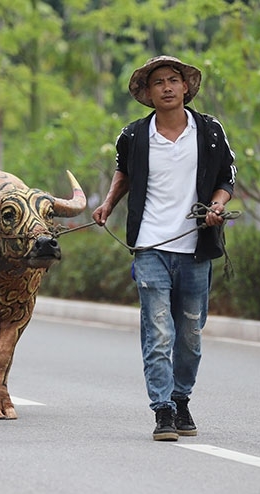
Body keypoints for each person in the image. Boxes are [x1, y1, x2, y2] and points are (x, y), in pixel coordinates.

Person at [91, 55, 236, 442]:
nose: (168, 87)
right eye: (159, 83)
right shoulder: (135, 136)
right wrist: (107, 204)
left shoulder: (209, 131)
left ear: (186, 87)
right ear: (148, 93)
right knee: (157, 331)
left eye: (174, 80)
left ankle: (181, 396)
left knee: (190, 332)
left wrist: (217, 206)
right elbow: (123, 173)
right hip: (150, 246)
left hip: (195, 248)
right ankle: (163, 410)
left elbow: (226, 177)